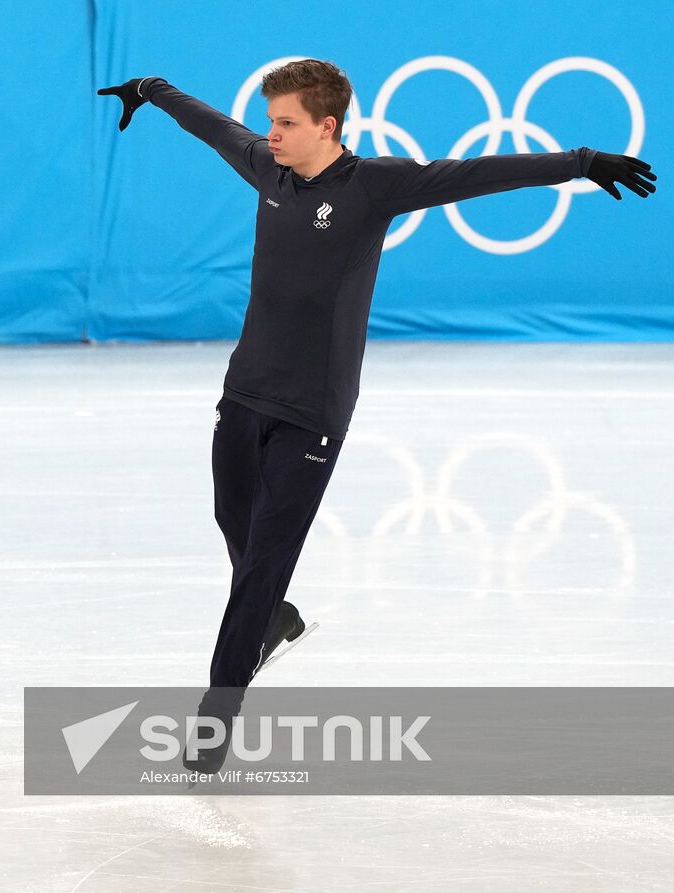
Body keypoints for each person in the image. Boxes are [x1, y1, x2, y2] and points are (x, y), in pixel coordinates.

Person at [97, 59, 657, 773]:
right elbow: (215, 128)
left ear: (327, 127)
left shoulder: (373, 186)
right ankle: (273, 619)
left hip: (313, 411)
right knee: (232, 525)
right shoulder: (268, 171)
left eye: (287, 123)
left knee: (264, 562)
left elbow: (476, 173)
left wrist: (580, 162)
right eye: (271, 122)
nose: (271, 135)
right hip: (242, 393)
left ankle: (216, 720)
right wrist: (150, 90)